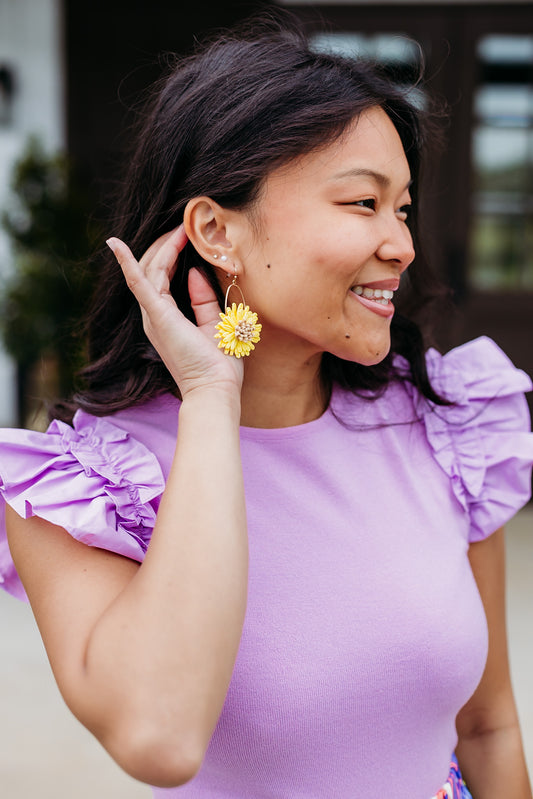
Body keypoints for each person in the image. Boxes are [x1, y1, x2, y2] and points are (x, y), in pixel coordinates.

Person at [0, 13, 532, 799]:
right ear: (215, 230)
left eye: (404, 208)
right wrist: (212, 398)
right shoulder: (81, 495)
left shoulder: (444, 427)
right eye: (361, 203)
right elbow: (160, 734)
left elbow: (487, 725)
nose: (402, 245)